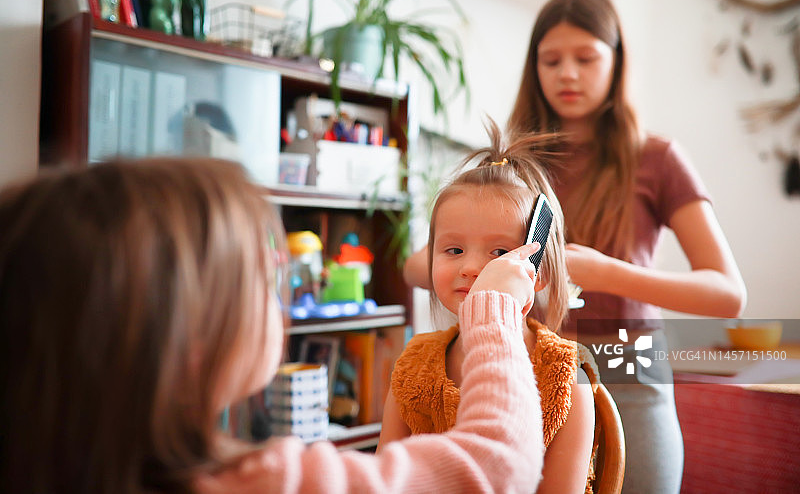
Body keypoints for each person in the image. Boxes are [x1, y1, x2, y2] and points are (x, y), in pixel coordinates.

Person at [0, 157, 545, 494]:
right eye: (262, 281)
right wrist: (493, 308)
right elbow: (495, 470)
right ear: (188, 342)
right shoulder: (271, 484)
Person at [405, 0, 747, 494]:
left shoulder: (658, 160)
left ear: (616, 62)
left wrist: (606, 272)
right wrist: (479, 262)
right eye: (551, 60)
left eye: (585, 58)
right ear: (534, 68)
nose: (567, 73)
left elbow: (727, 295)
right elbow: (417, 267)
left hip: (632, 371)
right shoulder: (514, 169)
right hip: (531, 372)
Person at [379, 122, 599, 494]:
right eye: (454, 250)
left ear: (537, 270)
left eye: (498, 253)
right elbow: (386, 479)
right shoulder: (413, 366)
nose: (470, 267)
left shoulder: (563, 379)